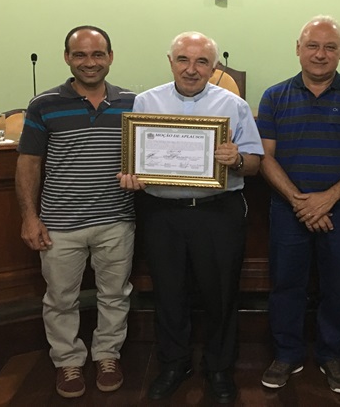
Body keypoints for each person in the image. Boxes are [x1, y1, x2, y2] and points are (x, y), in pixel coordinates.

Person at [117, 31, 263, 403]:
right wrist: (131, 175)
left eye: (202, 62)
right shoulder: (146, 102)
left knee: (221, 294)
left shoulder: (234, 106)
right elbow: (134, 158)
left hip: (217, 214)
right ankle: (174, 364)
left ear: (214, 67)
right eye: (183, 59)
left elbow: (254, 164)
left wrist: (237, 159)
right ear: (171, 62)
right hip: (162, 213)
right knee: (168, 293)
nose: (191, 69)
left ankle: (219, 368)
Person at [256, 15, 340, 394]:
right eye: (312, 46)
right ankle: (287, 353)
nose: (320, 54)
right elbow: (265, 157)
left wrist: (328, 198)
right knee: (286, 284)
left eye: (330, 47)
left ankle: (333, 354)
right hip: (289, 210)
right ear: (298, 49)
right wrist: (300, 202)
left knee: (339, 285)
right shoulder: (274, 96)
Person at [15, 25, 136, 399]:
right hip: (60, 224)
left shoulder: (134, 103)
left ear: (110, 57)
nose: (90, 62)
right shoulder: (44, 104)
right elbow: (29, 163)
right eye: (80, 54)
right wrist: (29, 217)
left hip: (116, 220)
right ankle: (67, 361)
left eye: (98, 54)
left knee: (114, 295)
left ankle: (107, 355)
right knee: (60, 299)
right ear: (67, 57)